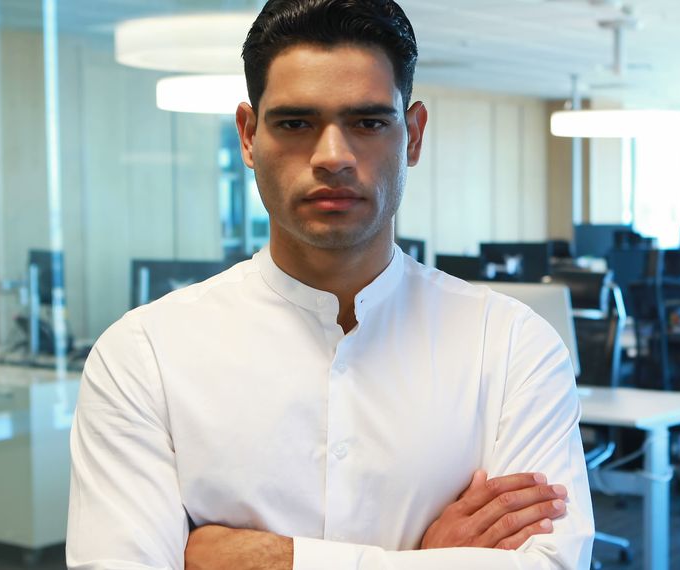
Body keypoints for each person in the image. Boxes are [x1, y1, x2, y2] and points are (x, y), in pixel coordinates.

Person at [65, 0, 594, 568]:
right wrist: (427, 560)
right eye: (296, 123)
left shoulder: (512, 344)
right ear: (248, 136)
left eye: (368, 122)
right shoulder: (143, 355)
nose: (333, 157)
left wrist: (275, 560)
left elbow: (552, 564)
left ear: (412, 136)